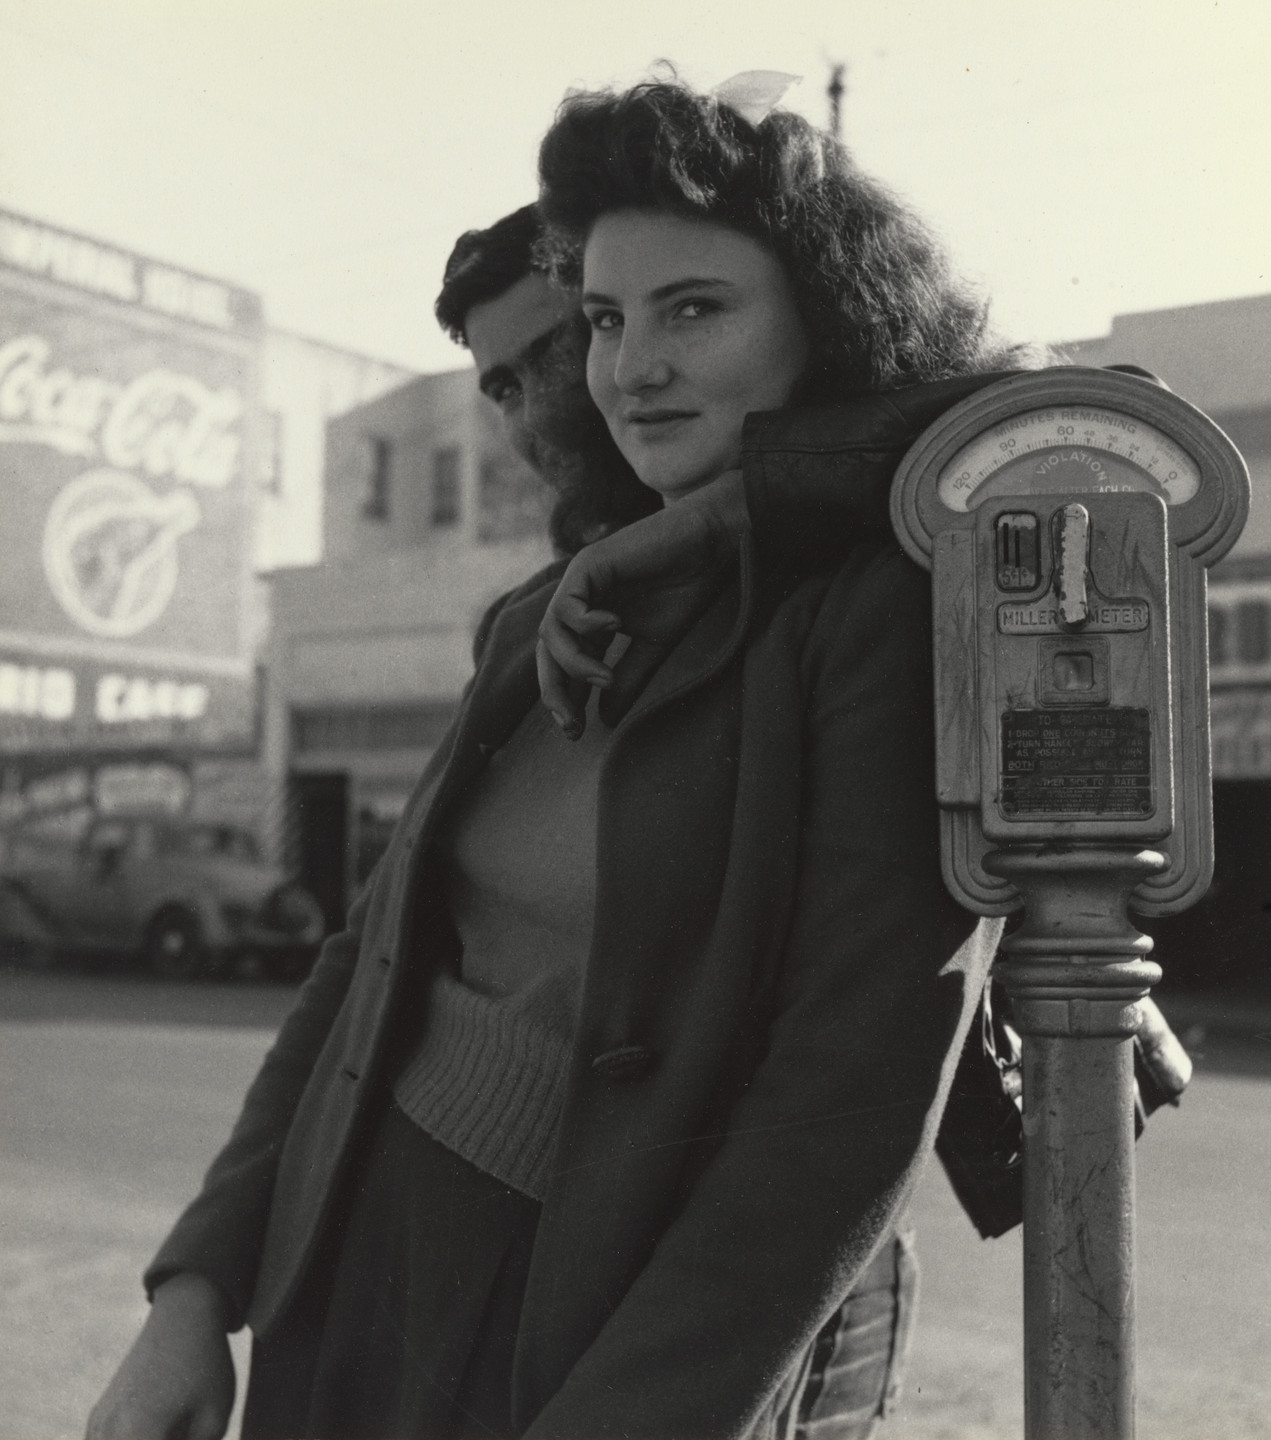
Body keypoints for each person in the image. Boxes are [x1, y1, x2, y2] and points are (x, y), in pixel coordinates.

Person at [88, 76, 1057, 1440]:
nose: (627, 369)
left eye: (694, 310)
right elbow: (365, 965)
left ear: (826, 314)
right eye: (604, 320)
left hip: (577, 1312)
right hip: (345, 1253)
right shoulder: (547, 615)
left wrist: (733, 510)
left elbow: (841, 1101)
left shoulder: (878, 619)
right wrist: (194, 1292)